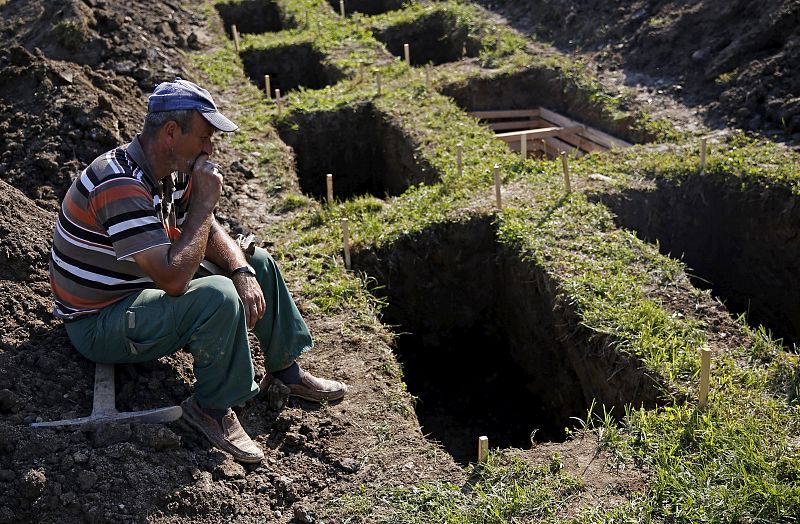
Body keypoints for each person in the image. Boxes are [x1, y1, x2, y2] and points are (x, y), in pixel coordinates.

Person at [48, 77, 347, 463]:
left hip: (139, 286)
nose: (210, 148)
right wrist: (205, 203)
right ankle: (210, 408)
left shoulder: (170, 167)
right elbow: (174, 280)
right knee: (217, 298)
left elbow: (205, 228)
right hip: (99, 321)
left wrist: (241, 269)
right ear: (172, 132)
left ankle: (285, 370)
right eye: (205, 138)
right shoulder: (119, 183)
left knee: (256, 262)